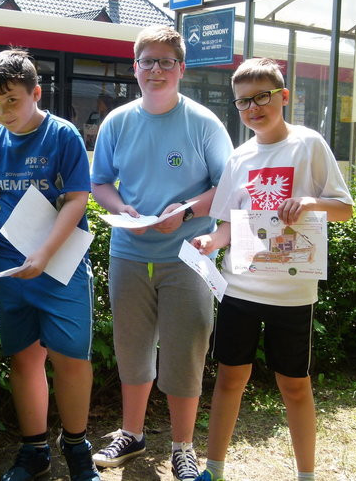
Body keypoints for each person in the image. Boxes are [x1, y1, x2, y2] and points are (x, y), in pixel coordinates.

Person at [191, 57, 354, 481]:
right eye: (243, 102)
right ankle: (214, 469)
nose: (253, 108)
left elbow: (345, 209)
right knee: (229, 379)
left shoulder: (308, 144)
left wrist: (312, 203)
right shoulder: (239, 156)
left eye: (262, 97)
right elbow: (227, 224)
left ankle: (306, 475)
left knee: (295, 385)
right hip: (240, 289)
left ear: (283, 97)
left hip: (292, 293)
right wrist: (210, 242)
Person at [89, 25, 234, 480]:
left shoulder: (204, 123)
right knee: (132, 348)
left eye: (165, 62)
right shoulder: (118, 121)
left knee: (185, 349)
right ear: (135, 68)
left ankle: (182, 446)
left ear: (181, 69)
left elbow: (228, 188)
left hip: (189, 254)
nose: (156, 70)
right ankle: (131, 434)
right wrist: (121, 207)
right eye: (147, 61)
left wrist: (187, 213)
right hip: (128, 251)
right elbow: (99, 185)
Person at [0, 49, 100, 481]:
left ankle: (77, 446)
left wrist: (43, 254)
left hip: (61, 266)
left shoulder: (62, 136)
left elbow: (77, 198)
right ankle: (35, 451)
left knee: (70, 359)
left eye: (12, 101)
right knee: (24, 360)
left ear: (35, 93)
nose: (2, 112)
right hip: (11, 268)